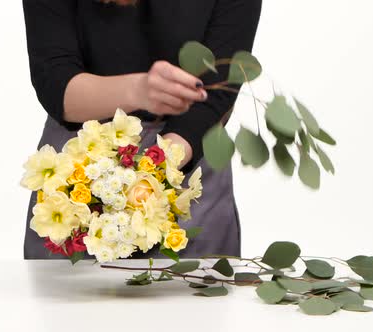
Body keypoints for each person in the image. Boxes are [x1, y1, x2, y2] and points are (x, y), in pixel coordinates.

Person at [22, 0, 262, 259]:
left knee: (188, 296)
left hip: (186, 164)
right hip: (79, 170)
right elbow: (54, 82)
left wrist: (158, 167)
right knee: (72, 295)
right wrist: (138, 91)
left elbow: (218, 91)